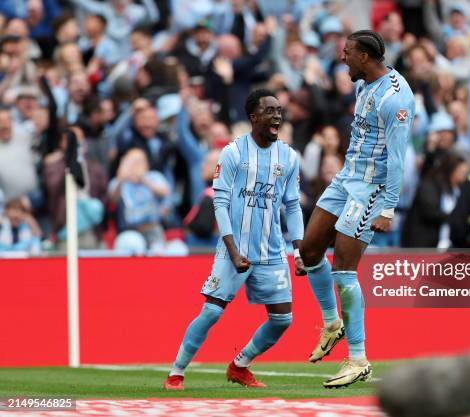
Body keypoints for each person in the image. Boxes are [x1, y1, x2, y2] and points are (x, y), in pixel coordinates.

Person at [163, 89, 305, 390]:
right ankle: (176, 372)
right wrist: (232, 248)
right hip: (234, 249)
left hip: (272, 251)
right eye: (270, 110)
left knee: (283, 320)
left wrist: (299, 248)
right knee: (212, 310)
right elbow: (220, 203)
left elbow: (292, 205)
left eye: (279, 110)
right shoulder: (233, 153)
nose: (277, 115)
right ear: (253, 117)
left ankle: (240, 365)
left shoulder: (289, 156)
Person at [299, 30, 415, 388]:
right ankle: (332, 323)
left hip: (372, 188)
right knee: (309, 249)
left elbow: (397, 160)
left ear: (364, 55)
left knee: (344, 269)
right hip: (347, 176)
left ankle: (358, 358)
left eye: (347, 52)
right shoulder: (364, 83)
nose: (342, 58)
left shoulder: (396, 99)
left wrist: (388, 208)